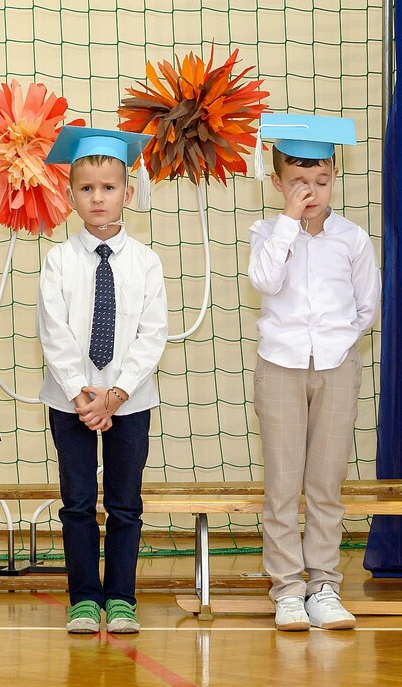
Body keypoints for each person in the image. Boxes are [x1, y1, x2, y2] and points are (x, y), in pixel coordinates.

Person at [249, 114, 380, 631]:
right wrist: (287, 222)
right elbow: (265, 280)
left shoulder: (352, 239)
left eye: (321, 181)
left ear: (334, 178)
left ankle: (323, 584)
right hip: (280, 366)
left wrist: (337, 345)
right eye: (299, 182)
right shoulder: (266, 232)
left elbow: (366, 307)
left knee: (326, 483)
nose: (311, 192)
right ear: (277, 182)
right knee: (283, 485)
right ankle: (287, 588)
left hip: (336, 366)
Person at [39, 125, 168, 634]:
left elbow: (152, 334)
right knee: (76, 504)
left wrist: (114, 395)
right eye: (87, 188)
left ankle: (120, 599)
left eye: (108, 187)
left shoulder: (146, 262)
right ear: (71, 195)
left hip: (129, 403)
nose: (98, 198)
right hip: (69, 401)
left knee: (125, 505)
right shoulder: (58, 260)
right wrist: (81, 392)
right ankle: (84, 600)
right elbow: (53, 331)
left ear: (126, 193)